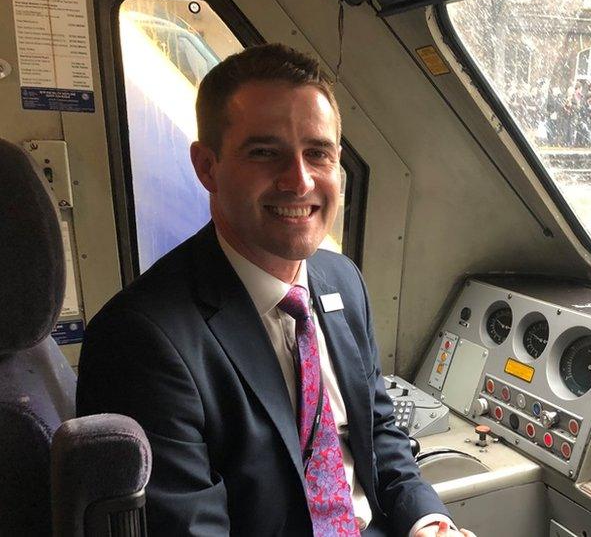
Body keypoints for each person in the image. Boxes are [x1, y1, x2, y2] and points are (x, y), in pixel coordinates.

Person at [76, 44, 475, 537]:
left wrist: (427, 523)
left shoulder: (342, 282)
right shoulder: (142, 340)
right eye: (265, 153)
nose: (299, 180)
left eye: (318, 153)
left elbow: (379, 435)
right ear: (207, 167)